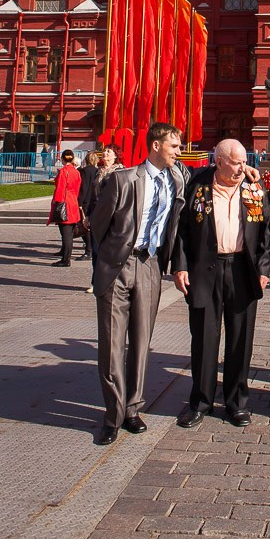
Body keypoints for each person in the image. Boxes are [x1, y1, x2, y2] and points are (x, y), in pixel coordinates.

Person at [90, 122, 186, 445]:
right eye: (174, 146)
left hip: (151, 265)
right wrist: (110, 257)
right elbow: (98, 224)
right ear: (156, 145)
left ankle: (132, 409)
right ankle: (112, 417)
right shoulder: (123, 179)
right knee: (113, 343)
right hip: (118, 265)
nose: (179, 152)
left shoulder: (178, 179)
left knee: (141, 341)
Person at [172, 139, 270, 428]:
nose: (244, 167)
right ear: (218, 161)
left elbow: (265, 231)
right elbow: (182, 230)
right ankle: (200, 402)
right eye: (237, 162)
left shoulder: (254, 186)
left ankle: (237, 402)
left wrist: (263, 269)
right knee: (204, 338)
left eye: (244, 161)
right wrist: (179, 266)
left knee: (241, 340)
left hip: (242, 269)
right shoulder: (197, 185)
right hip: (206, 269)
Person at [48, 149, 82, 267]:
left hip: (65, 202)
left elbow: (60, 189)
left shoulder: (63, 171)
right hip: (73, 201)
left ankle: (66, 259)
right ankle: (65, 254)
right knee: (69, 232)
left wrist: (56, 203)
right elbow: (78, 188)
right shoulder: (76, 172)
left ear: (62, 159)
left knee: (66, 233)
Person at [77, 151, 99, 264]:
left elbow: (84, 187)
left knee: (85, 226)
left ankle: (88, 249)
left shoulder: (85, 171)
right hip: (94, 200)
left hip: (86, 201)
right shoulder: (97, 171)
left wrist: (79, 202)